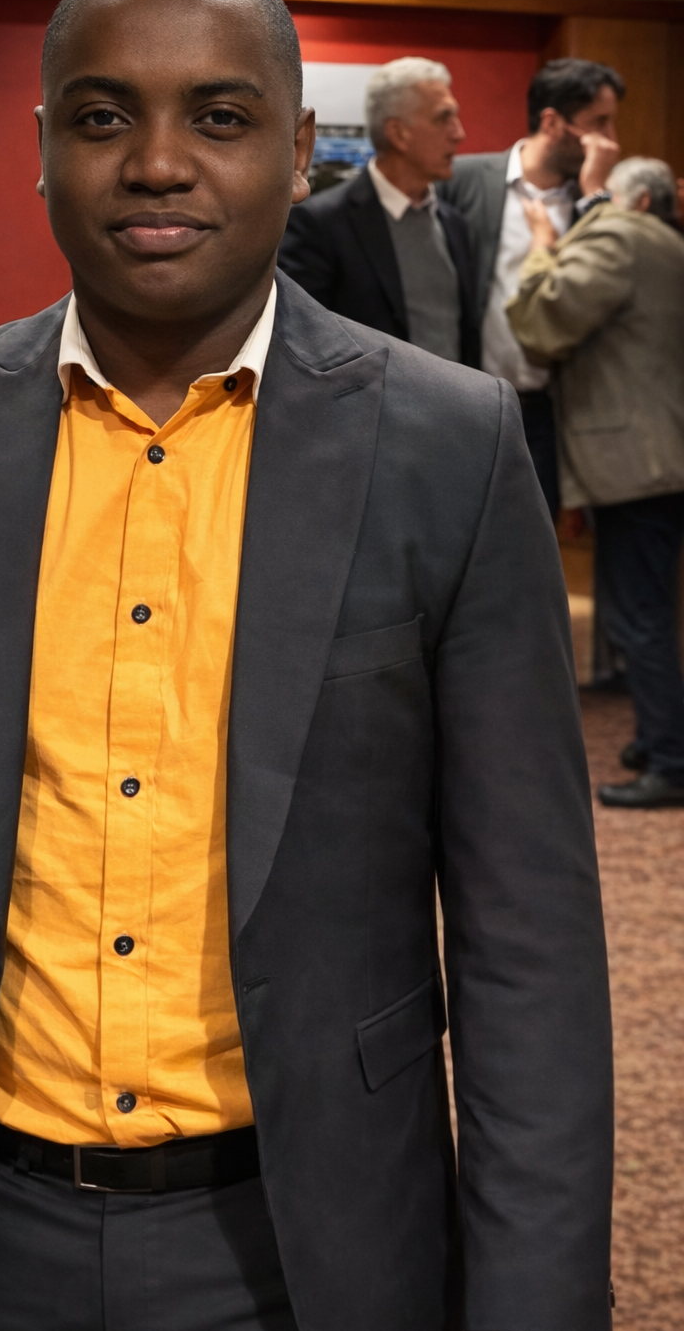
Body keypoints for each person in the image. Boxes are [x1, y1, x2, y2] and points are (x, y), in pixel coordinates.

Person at [0, 0, 613, 1331]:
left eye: (221, 117)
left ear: (299, 153)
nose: (159, 164)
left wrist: (526, 1312)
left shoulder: (448, 447)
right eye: (104, 116)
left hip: (310, 1251)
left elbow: (527, 927)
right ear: (43, 146)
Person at [507, 156, 684, 809]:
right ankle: (661, 738)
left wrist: (543, 245)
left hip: (634, 462)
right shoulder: (667, 241)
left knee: (639, 617)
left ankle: (670, 760)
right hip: (658, 456)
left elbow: (542, 317)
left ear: (636, 200)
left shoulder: (623, 233)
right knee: (647, 607)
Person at [437, 59, 623, 520]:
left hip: (548, 411)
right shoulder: (461, 179)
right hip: (465, 397)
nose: (611, 140)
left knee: (534, 536)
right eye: (599, 122)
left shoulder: (596, 204)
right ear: (552, 122)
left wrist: (596, 197)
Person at [278, 57, 480, 366]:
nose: (459, 133)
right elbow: (305, 341)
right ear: (399, 133)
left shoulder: (453, 223)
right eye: (444, 118)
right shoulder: (321, 224)